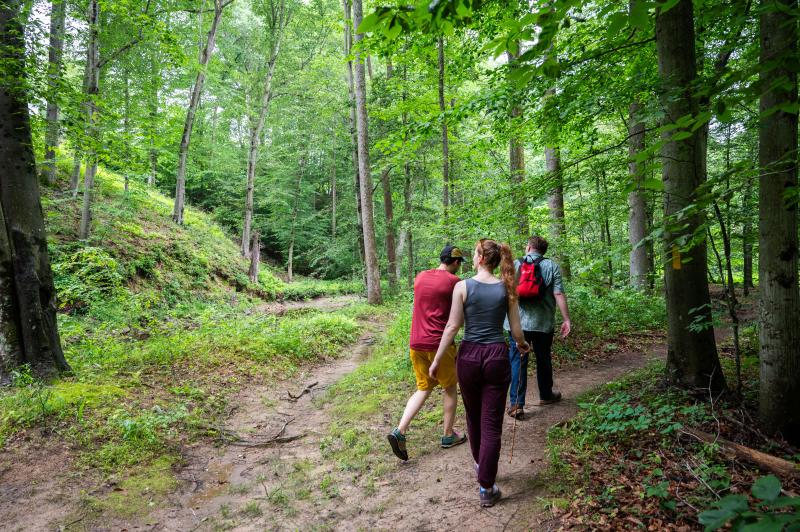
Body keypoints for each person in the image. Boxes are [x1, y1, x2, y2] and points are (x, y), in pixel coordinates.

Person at [429, 239, 530, 508]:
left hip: (470, 356)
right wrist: (521, 344)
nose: (472, 258)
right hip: (497, 356)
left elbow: (451, 327)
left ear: (481, 258)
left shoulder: (462, 287)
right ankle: (486, 487)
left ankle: (481, 467)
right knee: (491, 424)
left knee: (473, 418)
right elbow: (516, 330)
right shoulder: (506, 288)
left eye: (474, 254)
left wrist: (437, 360)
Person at [387, 245, 469, 461]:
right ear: (455, 262)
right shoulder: (455, 282)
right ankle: (448, 435)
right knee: (450, 388)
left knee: (423, 388)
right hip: (439, 345)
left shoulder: (420, 277)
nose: (459, 267)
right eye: (459, 263)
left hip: (416, 343)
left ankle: (400, 431)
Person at [504, 235, 572, 420]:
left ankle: (517, 404)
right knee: (543, 358)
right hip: (543, 323)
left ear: (528, 247)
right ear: (543, 251)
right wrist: (566, 319)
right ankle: (546, 395)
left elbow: (506, 292)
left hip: (517, 323)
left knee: (518, 360)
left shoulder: (516, 264)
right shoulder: (552, 266)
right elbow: (558, 293)